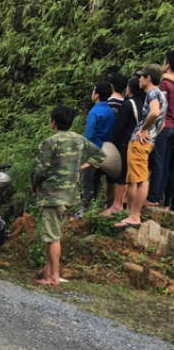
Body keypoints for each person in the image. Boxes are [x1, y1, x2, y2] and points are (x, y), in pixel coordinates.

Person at [31, 105, 106, 287]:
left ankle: (53, 277)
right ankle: (48, 270)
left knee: (52, 237)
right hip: (70, 197)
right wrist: (80, 168)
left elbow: (40, 170)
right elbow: (101, 155)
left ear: (53, 122)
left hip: (53, 197)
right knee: (54, 235)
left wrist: (35, 184)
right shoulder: (80, 140)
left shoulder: (51, 142)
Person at [116, 64, 168, 228]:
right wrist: (152, 134)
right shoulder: (162, 95)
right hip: (148, 142)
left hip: (139, 142)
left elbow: (155, 113)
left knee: (139, 181)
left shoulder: (152, 93)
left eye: (142, 76)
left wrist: (144, 129)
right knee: (138, 178)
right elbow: (162, 123)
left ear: (149, 78)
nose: (139, 79)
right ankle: (132, 214)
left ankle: (134, 216)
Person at [102, 77, 145, 216]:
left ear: (129, 89)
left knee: (121, 177)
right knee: (132, 178)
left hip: (126, 143)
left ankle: (117, 205)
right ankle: (129, 206)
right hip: (138, 143)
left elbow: (119, 127)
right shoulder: (142, 104)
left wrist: (111, 144)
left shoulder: (127, 105)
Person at [77, 81, 114, 218]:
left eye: (93, 91)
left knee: (87, 180)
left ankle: (85, 209)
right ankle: (96, 206)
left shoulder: (94, 112)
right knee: (98, 180)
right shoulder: (110, 111)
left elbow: (89, 135)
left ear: (97, 95)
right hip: (105, 150)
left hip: (92, 151)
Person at [146, 51, 174, 207]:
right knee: (165, 162)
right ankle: (159, 197)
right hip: (173, 127)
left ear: (167, 65)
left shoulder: (165, 84)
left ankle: (153, 197)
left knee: (158, 161)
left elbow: (161, 107)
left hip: (164, 126)